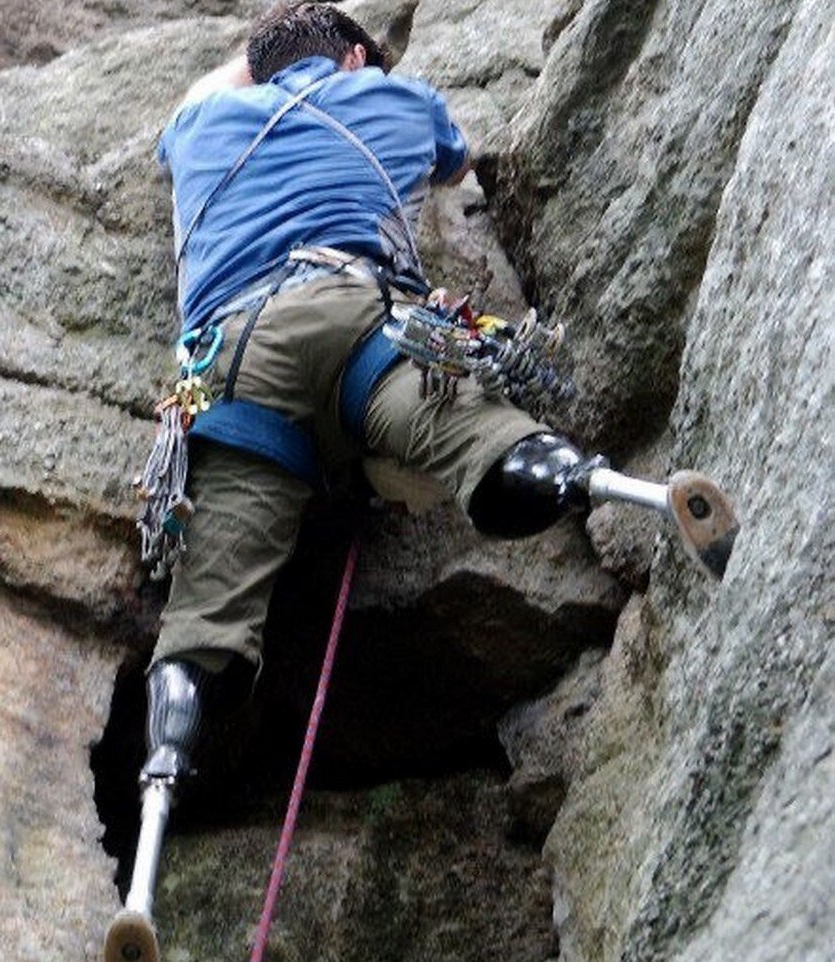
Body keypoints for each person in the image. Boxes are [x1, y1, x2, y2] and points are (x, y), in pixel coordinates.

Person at [106, 4, 736, 960]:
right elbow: (450, 162)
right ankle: (646, 497)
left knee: (207, 614)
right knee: (469, 429)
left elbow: (204, 94)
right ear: (355, 57)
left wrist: (260, 55)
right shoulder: (389, 97)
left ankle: (146, 879)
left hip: (234, 362)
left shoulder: (201, 125)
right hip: (365, 319)